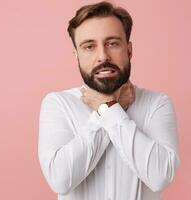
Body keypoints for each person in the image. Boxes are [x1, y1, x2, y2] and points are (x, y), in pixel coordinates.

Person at [38, 1, 180, 200]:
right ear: (76, 56)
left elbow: (159, 177)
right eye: (89, 47)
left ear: (129, 50)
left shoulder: (157, 103)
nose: (102, 56)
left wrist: (107, 109)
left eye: (112, 43)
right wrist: (112, 109)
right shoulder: (57, 104)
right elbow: (60, 180)